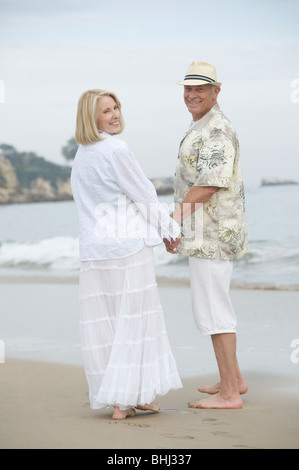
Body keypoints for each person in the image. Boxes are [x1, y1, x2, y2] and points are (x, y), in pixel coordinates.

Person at [71, 89, 182, 420]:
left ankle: (128, 398)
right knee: (135, 322)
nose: (115, 114)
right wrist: (170, 231)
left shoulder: (81, 155)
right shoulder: (116, 149)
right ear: (92, 119)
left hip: (95, 252)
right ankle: (127, 399)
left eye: (116, 107)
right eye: (106, 111)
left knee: (107, 324)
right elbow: (144, 195)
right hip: (126, 249)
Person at [165, 62, 248, 409]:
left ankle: (229, 394)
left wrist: (172, 221)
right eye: (188, 88)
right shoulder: (201, 124)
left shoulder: (217, 129)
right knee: (214, 306)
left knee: (215, 311)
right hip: (206, 232)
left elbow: (209, 184)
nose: (192, 94)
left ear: (216, 91)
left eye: (200, 89)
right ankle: (235, 380)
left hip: (212, 234)